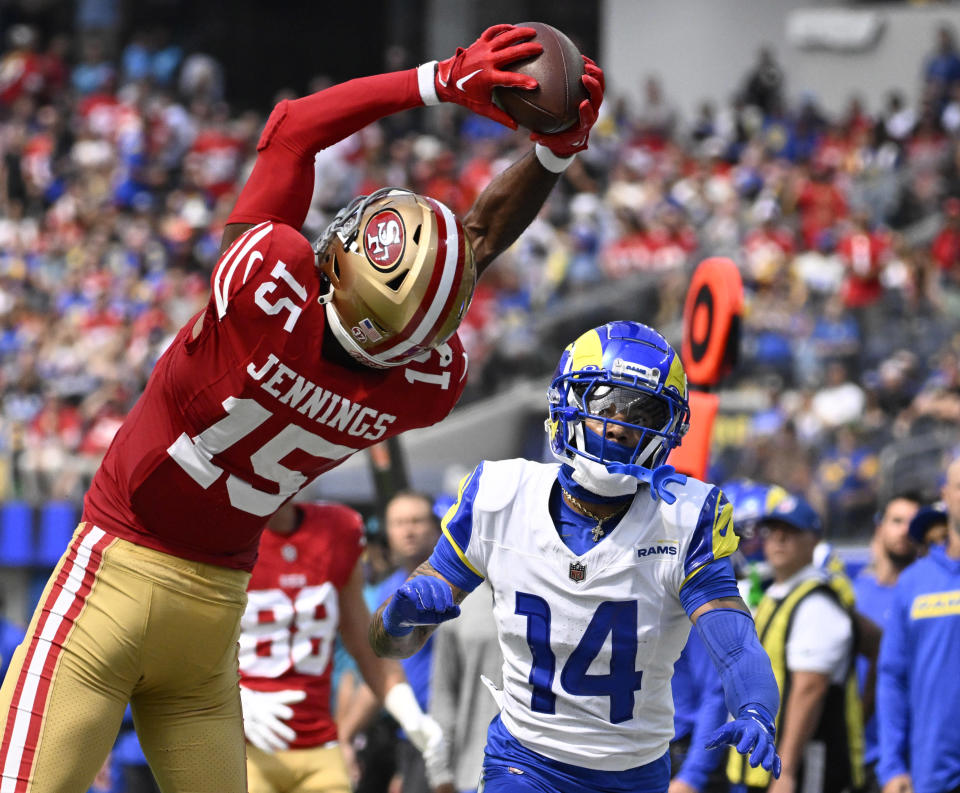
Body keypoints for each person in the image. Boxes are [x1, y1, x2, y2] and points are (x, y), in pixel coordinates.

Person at [0, 24, 605, 793]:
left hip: (112, 577)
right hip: (214, 617)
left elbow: (293, 130)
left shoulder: (269, 287)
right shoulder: (419, 384)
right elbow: (476, 246)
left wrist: (439, 80)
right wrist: (556, 152)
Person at [370, 322, 782, 793]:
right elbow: (389, 645)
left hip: (633, 772)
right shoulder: (500, 496)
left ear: (667, 428)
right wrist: (399, 618)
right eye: (605, 402)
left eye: (643, 413)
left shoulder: (685, 519)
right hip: (525, 760)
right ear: (569, 404)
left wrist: (755, 707)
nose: (620, 425)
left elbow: (735, 645)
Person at [238, 499, 444, 793]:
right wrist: (231, 699)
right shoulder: (219, 533)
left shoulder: (336, 529)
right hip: (243, 747)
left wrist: (411, 714)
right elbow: (185, 641)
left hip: (320, 743)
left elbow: (366, 645)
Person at [728, 493, 863, 793]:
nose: (778, 539)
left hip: (801, 768)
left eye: (790, 532)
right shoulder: (778, 594)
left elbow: (809, 688)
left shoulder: (816, 602)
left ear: (814, 540)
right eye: (772, 531)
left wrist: (786, 770)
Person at [877, 458, 960, 793]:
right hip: (932, 773)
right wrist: (893, 766)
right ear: (946, 494)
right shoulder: (914, 582)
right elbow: (892, 678)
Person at [853, 494, 920, 793]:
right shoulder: (854, 592)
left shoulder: (930, 597)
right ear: (879, 527)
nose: (904, 530)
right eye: (896, 521)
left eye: (913, 523)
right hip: (856, 753)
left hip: (910, 760)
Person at [428, 580, 503, 793]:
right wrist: (439, 773)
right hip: (472, 771)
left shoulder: (550, 592)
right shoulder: (460, 602)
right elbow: (444, 695)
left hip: (540, 774)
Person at [669, 631, 729, 793]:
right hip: (638, 752)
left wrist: (692, 776)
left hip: (682, 754)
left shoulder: (691, 611)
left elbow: (716, 694)